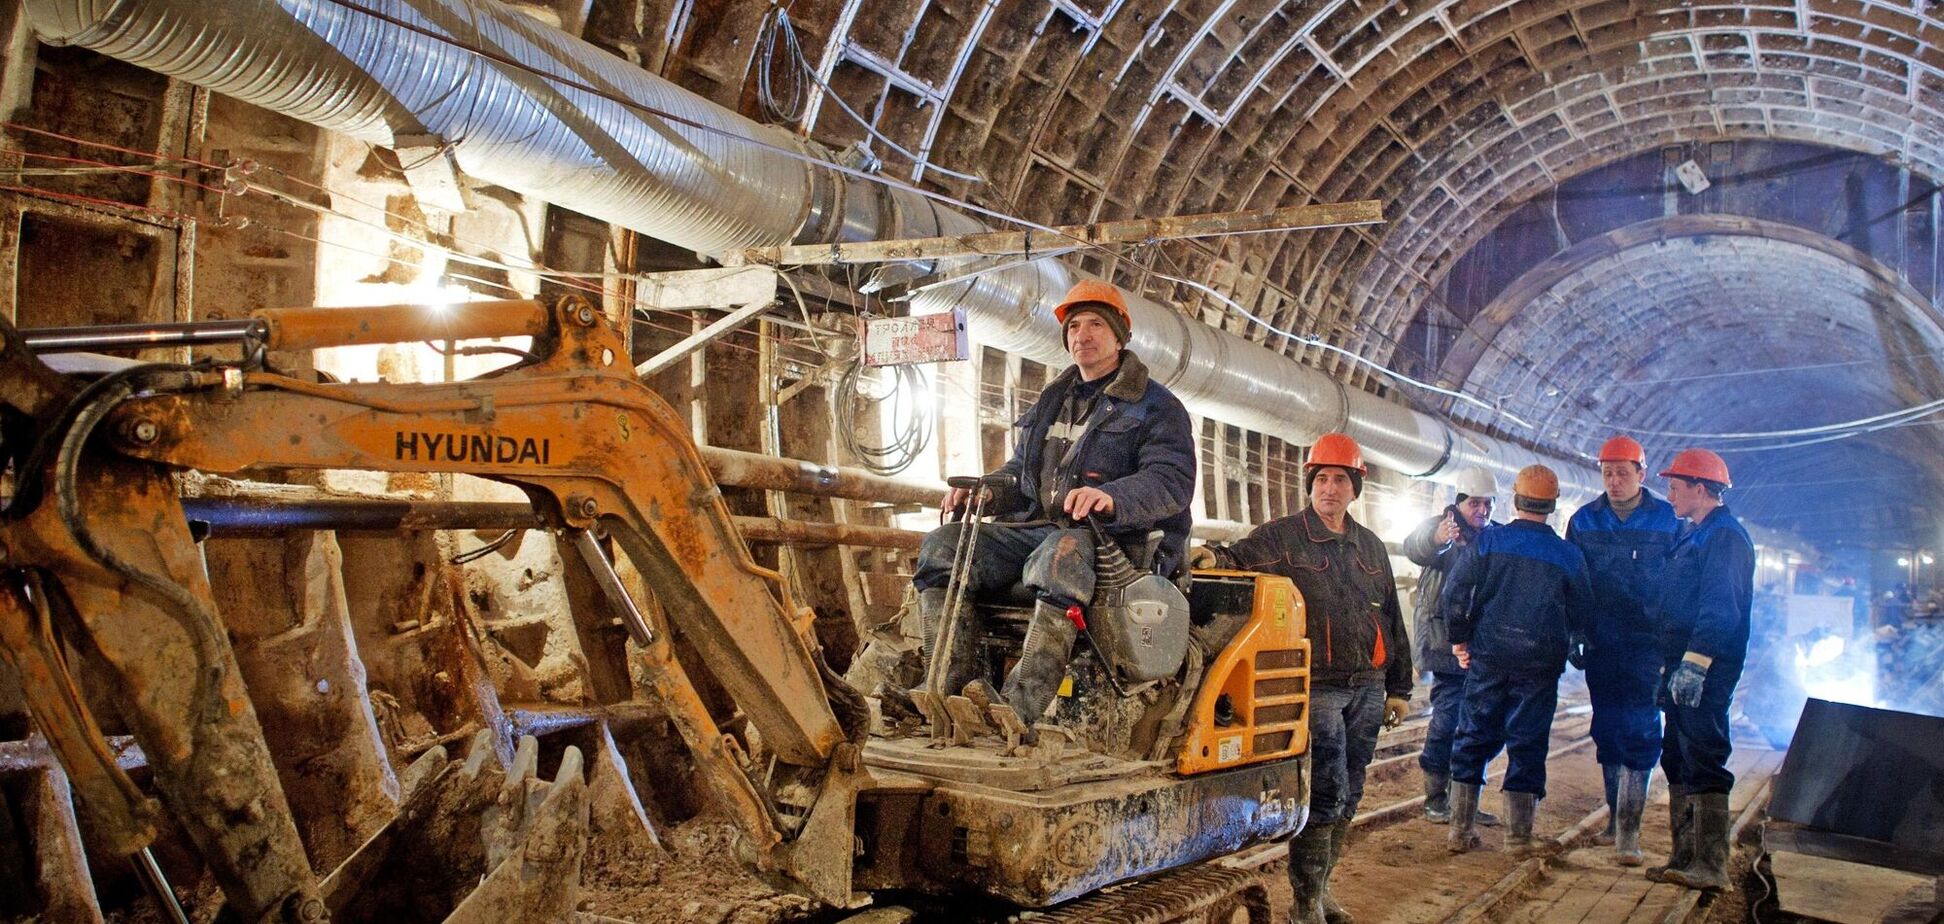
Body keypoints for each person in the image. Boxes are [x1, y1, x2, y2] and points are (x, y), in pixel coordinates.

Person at [907, 278, 1196, 736]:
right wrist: (987, 491)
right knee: (943, 545)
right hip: (1039, 530)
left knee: (1059, 553)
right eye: (1074, 326)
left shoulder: (1158, 407)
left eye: (1096, 324)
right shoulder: (1052, 399)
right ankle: (947, 691)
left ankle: (1020, 706)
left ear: (1120, 336)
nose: (1082, 334)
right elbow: (1022, 472)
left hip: (1117, 545)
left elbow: (1171, 482)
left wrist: (1113, 497)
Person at [1200, 433, 1410, 924]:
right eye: (1321, 479)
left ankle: (1322, 888)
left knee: (1353, 790)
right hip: (1317, 687)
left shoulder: (1371, 547)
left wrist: (1399, 688)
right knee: (1327, 789)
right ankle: (1306, 903)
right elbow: (1239, 556)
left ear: (1355, 487)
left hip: (1369, 685)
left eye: (1339, 479)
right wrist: (1212, 557)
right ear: (1310, 485)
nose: (1329, 489)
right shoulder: (1284, 536)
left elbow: (1392, 620)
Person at [1442, 465, 1594, 854]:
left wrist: (1460, 640)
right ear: (1553, 504)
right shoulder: (1568, 555)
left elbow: (1455, 592)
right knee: (1527, 743)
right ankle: (1517, 837)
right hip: (1539, 666)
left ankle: (1459, 831)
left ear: (1515, 498)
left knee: (1472, 736)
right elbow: (1583, 613)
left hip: (1488, 656)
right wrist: (1572, 642)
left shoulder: (1490, 542)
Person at [1565, 435, 1681, 865]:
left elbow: (1680, 585)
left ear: (1641, 474)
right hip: (1601, 644)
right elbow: (1573, 582)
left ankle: (1629, 835)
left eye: (1622, 472)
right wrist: (1574, 630)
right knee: (1609, 731)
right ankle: (1615, 822)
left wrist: (1674, 645)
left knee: (1641, 731)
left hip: (1648, 647)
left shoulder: (1668, 521)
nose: (1614, 481)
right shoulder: (1584, 521)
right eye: (1607, 472)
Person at [1646, 448, 1753, 892]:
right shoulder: (1695, 533)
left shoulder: (1723, 537)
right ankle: (1684, 856)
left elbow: (1719, 607)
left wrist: (1696, 663)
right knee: (1678, 755)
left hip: (1704, 668)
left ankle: (1711, 864)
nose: (1669, 494)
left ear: (1700, 488)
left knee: (1704, 755)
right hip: (1680, 663)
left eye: (1675, 486)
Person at [1403, 467, 1502, 826]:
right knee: (1447, 722)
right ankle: (1435, 796)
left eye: (1488, 504)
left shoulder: (1494, 537)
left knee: (1483, 727)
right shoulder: (1441, 529)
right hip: (1446, 646)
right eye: (1475, 503)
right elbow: (1414, 547)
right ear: (1459, 502)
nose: (1482, 510)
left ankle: (1466, 800)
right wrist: (1437, 538)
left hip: (1485, 648)